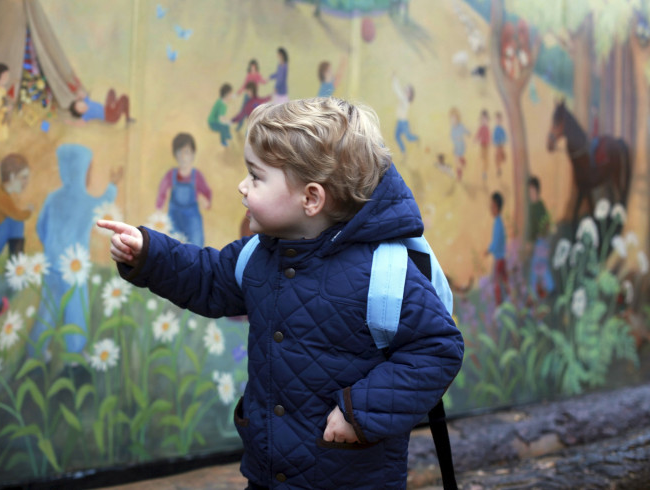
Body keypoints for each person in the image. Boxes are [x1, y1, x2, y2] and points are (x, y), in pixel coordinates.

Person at [98, 97, 463, 488]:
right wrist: (150, 254)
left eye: (255, 177)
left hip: (349, 476)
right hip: (268, 470)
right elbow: (208, 278)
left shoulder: (384, 273)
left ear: (310, 198)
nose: (242, 186)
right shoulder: (260, 253)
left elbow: (437, 350)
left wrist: (362, 413)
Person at [29, 143, 123, 357]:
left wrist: (51, 247)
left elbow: (40, 227)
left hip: (51, 264)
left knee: (47, 307)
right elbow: (104, 203)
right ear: (82, 172)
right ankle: (76, 352)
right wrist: (113, 185)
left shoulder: (52, 199)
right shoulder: (86, 202)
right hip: (75, 267)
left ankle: (35, 351)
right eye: (88, 170)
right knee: (76, 309)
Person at [155, 133, 212, 246]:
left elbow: (206, 191)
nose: (183, 156)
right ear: (175, 155)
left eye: (186, 152)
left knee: (195, 247)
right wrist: (159, 208)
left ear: (192, 154)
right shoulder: (171, 175)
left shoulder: (196, 176)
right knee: (174, 247)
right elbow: (162, 191)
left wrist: (206, 201)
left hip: (192, 219)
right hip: (174, 217)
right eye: (179, 152)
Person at [527, 176, 554, 299]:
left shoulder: (539, 205)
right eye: (529, 192)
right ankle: (550, 287)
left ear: (537, 191)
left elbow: (546, 221)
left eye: (532, 191)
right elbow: (533, 227)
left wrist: (542, 233)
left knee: (536, 266)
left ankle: (533, 293)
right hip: (539, 241)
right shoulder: (533, 206)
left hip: (542, 241)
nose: (531, 194)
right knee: (542, 266)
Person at [485, 191, 510, 305]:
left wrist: (488, 250)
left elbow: (496, 242)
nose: (491, 208)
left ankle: (499, 303)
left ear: (497, 207)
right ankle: (509, 298)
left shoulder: (498, 224)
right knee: (504, 279)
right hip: (502, 257)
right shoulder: (499, 222)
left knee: (496, 281)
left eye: (492, 206)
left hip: (499, 258)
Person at [67, 88, 133, 126]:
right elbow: (81, 123)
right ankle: (128, 119)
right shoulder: (86, 115)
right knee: (124, 98)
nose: (81, 105)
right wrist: (71, 123)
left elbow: (81, 93)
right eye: (79, 108)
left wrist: (76, 99)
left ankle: (118, 108)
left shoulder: (87, 101)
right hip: (110, 117)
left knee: (111, 91)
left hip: (108, 109)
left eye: (80, 103)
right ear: (80, 113)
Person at [236, 59, 268, 131]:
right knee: (243, 111)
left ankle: (249, 130)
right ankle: (239, 125)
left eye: (254, 67)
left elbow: (262, 81)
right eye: (251, 67)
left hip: (253, 97)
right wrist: (239, 92)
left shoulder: (258, 75)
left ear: (256, 67)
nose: (253, 68)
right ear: (250, 67)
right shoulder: (249, 75)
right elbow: (244, 85)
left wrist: (266, 80)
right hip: (247, 96)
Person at [392, 73, 419, 154]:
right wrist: (394, 79)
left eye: (407, 91)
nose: (404, 91)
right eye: (405, 90)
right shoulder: (403, 98)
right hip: (399, 122)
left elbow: (397, 91)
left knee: (409, 137)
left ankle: (417, 139)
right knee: (397, 136)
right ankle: (403, 152)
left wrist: (394, 79)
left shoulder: (405, 101)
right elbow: (398, 91)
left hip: (404, 123)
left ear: (410, 94)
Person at [449, 107, 469, 181]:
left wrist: (468, 133)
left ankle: (459, 172)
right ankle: (459, 173)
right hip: (456, 147)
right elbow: (452, 136)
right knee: (456, 161)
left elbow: (465, 130)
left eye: (454, 119)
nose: (453, 121)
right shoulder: (453, 128)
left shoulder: (460, 126)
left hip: (461, 146)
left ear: (457, 119)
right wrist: (454, 139)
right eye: (452, 119)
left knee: (458, 159)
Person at [474, 109, 490, 181]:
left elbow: (489, 137)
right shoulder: (481, 128)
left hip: (486, 145)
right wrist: (475, 140)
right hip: (482, 145)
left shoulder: (487, 128)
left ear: (487, 120)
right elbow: (478, 135)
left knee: (485, 159)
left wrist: (489, 141)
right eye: (482, 119)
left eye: (485, 119)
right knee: (482, 157)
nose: (484, 121)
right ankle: (483, 171)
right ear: (481, 119)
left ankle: (484, 172)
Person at [493, 111, 507, 176]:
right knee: (497, 158)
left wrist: (503, 141)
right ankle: (498, 169)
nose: (498, 120)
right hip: (497, 145)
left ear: (501, 120)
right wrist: (494, 142)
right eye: (497, 119)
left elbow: (504, 136)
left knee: (500, 156)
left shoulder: (501, 129)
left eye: (499, 119)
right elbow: (494, 137)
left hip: (500, 145)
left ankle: (500, 166)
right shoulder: (495, 129)